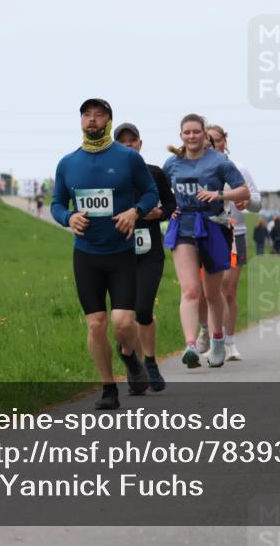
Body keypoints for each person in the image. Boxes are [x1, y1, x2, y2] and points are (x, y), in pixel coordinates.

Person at [51, 98, 159, 410]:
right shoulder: (68, 163)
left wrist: (135, 212)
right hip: (86, 255)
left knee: (124, 323)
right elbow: (57, 203)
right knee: (96, 324)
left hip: (121, 252)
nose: (92, 120)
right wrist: (68, 217)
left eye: (99, 115)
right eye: (87, 115)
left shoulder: (127, 158)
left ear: (109, 121)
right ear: (81, 121)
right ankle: (108, 387)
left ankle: (129, 355)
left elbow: (151, 192)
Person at [163, 114, 250, 369]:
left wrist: (218, 194)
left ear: (205, 135)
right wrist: (170, 208)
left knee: (213, 293)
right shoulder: (172, 164)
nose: (191, 136)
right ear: (181, 136)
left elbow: (243, 191)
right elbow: (161, 192)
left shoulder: (219, 162)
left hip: (213, 227)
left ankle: (218, 341)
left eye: (196, 132)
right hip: (184, 229)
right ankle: (190, 345)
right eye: (186, 132)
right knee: (190, 290)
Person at [114, 122, 177, 391]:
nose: (128, 146)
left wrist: (160, 214)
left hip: (150, 251)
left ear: (140, 144)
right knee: (124, 318)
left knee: (143, 310)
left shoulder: (154, 173)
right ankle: (134, 365)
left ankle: (150, 361)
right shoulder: (109, 175)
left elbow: (170, 202)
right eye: (123, 142)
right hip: (118, 253)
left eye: (133, 141)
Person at [201, 124, 262, 362]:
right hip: (207, 233)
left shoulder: (238, 169)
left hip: (235, 233)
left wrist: (247, 203)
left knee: (227, 290)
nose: (211, 145)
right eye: (207, 142)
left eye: (215, 140)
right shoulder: (198, 168)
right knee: (210, 291)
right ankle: (209, 335)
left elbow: (257, 201)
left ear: (224, 142)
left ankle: (229, 341)